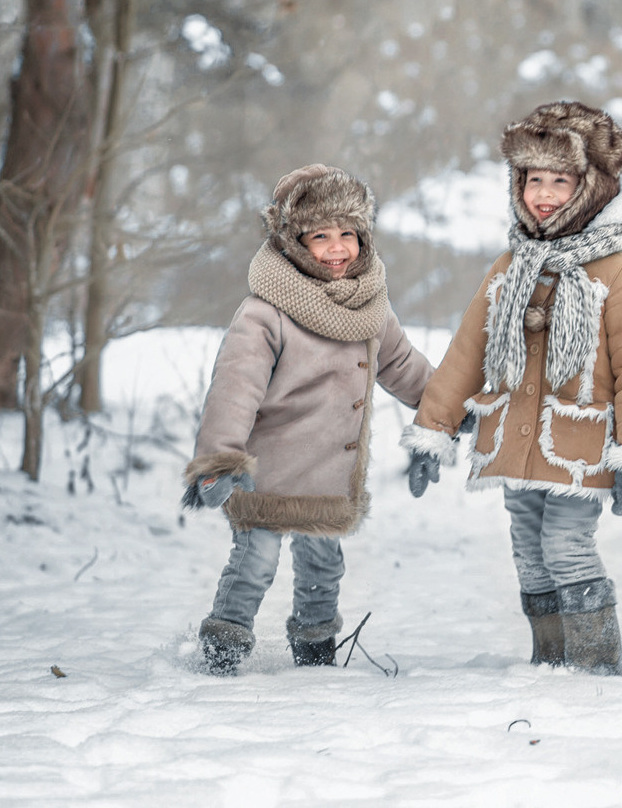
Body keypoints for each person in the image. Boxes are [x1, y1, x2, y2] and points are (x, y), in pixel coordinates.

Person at [402, 100, 622, 675]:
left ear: (591, 188)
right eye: (533, 180)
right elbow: (466, 353)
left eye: (560, 181)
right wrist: (432, 431)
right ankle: (550, 659)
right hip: (512, 441)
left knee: (566, 547)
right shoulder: (510, 267)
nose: (543, 194)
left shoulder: (616, 276)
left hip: (578, 449)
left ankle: (595, 664)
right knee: (528, 549)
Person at [183, 164, 434, 674]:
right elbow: (235, 388)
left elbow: (404, 367)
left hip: (326, 472)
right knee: (255, 564)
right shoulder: (265, 312)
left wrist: (445, 414)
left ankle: (316, 653)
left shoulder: (370, 308)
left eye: (348, 234)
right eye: (321, 236)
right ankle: (223, 648)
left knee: (323, 566)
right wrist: (219, 459)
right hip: (264, 472)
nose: (337, 248)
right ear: (294, 242)